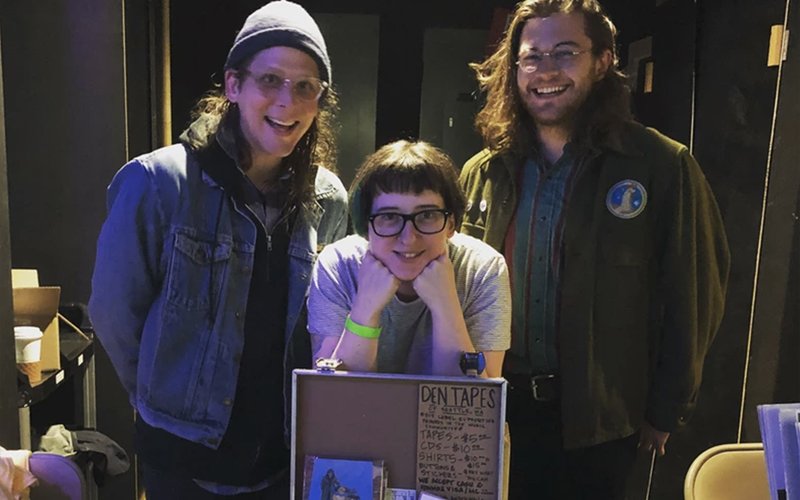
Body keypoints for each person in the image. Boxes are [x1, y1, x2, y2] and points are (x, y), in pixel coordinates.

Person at [460, 0, 730, 498]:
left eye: (565, 52)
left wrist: (666, 409)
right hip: (494, 411)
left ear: (603, 61)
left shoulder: (660, 166)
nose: (546, 71)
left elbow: (694, 295)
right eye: (531, 57)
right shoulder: (482, 172)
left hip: (601, 422)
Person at [88, 2, 347, 498]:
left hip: (283, 456)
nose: (287, 101)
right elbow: (114, 311)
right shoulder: (158, 182)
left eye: (305, 87)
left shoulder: (328, 198)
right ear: (233, 85)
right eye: (270, 80)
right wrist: (159, 400)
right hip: (182, 460)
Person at [308, 140, 511, 377]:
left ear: (451, 224)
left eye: (427, 215)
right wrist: (365, 309)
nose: (408, 238)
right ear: (366, 227)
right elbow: (332, 393)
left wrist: (446, 307)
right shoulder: (338, 265)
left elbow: (480, 397)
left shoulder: (483, 269)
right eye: (389, 216)